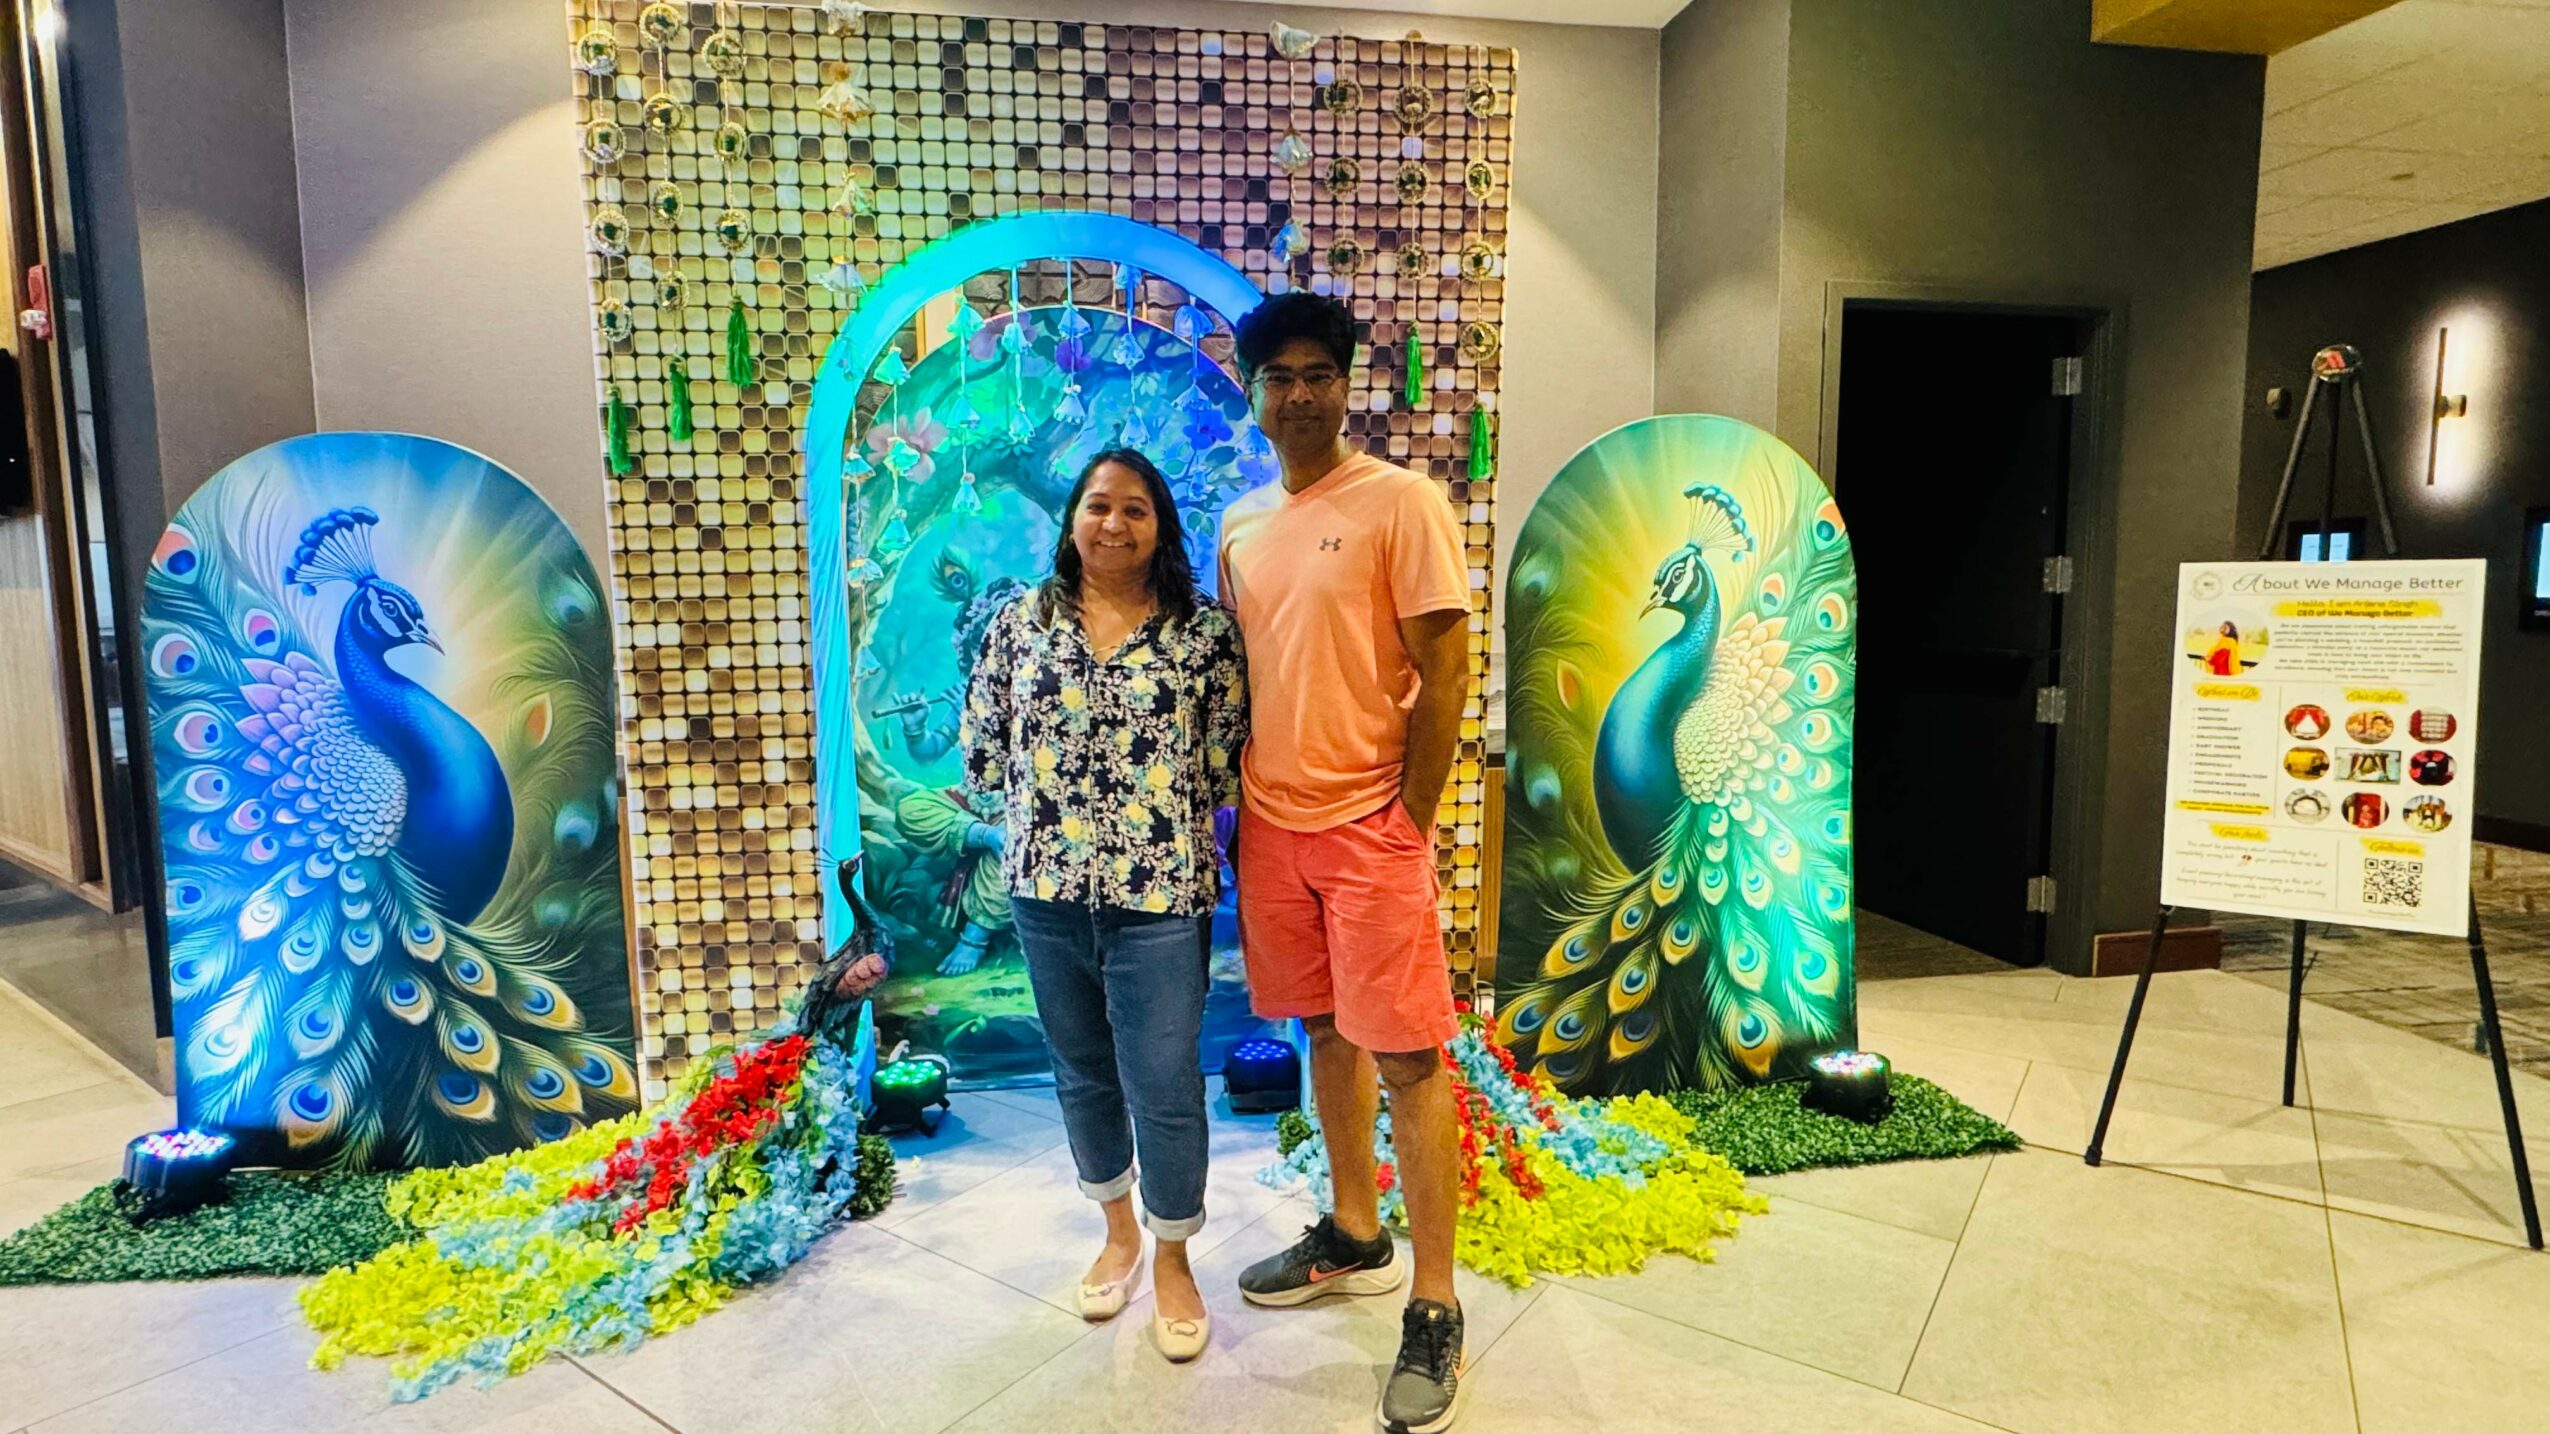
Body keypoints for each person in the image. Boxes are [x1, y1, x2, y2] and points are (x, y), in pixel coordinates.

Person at [1218, 292, 1474, 1434]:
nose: (1302, 392)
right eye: (1280, 375)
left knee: (1412, 1056)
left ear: (1347, 385)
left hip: (1372, 828)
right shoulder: (1239, 525)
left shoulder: (1401, 502)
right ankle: (1357, 1233)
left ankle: (1435, 1303)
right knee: (1325, 1031)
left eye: (1321, 372)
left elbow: (1448, 669)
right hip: (1273, 828)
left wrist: (1409, 819)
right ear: (1254, 393)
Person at [958, 449, 1247, 1364]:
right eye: (1097, 506)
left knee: (1163, 1083)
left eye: (1135, 509)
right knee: (1081, 1070)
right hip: (1046, 894)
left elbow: (1224, 758)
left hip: (1161, 896)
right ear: (1072, 520)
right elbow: (980, 751)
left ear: (1161, 526)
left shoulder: (1204, 635)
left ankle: (1171, 1257)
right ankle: (1118, 1233)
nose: (1113, 525)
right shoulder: (1019, 626)